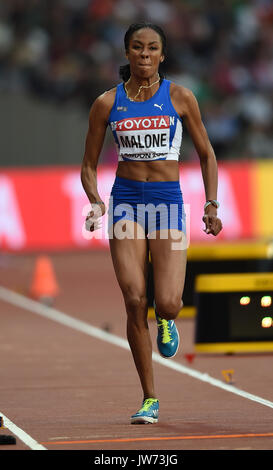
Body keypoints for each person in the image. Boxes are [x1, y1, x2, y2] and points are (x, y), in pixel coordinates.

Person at [81, 22, 223, 424]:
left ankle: (167, 319)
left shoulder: (180, 97)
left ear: (163, 55)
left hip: (167, 204)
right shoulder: (107, 104)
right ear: (127, 54)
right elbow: (89, 165)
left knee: (169, 301)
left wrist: (211, 203)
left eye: (152, 48)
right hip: (126, 204)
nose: (144, 55)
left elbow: (207, 154)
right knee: (132, 299)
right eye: (137, 48)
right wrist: (94, 202)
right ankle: (149, 397)